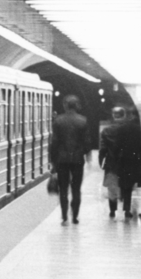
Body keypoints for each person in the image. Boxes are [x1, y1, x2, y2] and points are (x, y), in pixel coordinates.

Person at [48, 94, 91, 224]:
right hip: (77, 160)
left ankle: (64, 216)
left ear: (65, 105)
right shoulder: (83, 120)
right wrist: (85, 154)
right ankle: (75, 216)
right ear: (77, 105)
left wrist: (53, 160)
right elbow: (87, 142)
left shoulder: (58, 121)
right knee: (76, 189)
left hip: (62, 160)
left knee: (63, 189)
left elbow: (54, 142)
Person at [100, 104, 141, 219]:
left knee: (112, 188)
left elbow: (103, 148)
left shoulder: (107, 130)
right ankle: (127, 210)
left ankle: (112, 210)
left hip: (111, 163)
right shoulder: (132, 129)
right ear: (124, 115)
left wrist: (101, 161)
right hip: (127, 162)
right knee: (127, 187)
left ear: (113, 116)